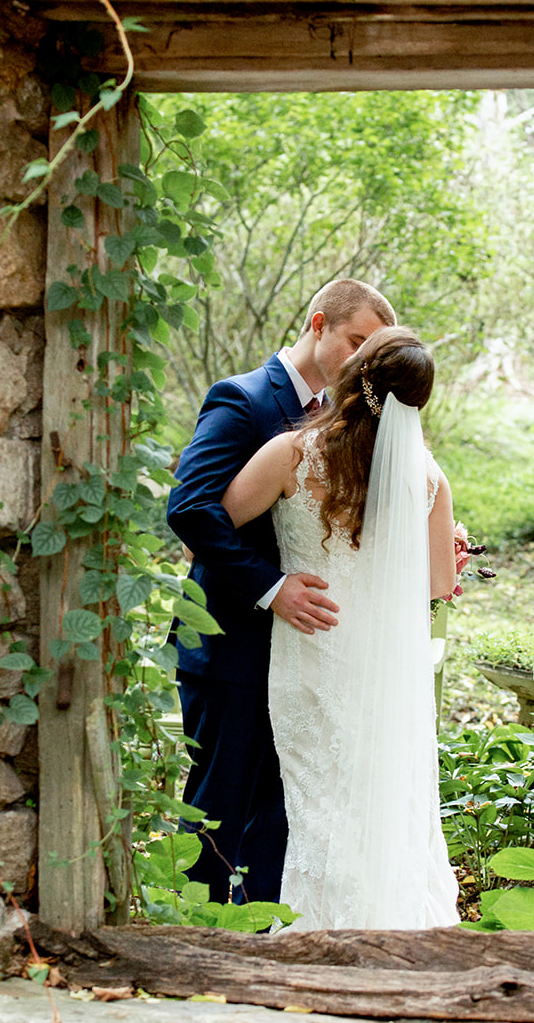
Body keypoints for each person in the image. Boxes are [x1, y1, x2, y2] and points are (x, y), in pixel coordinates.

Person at [222, 326, 460, 929]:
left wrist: (273, 583)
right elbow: (435, 585)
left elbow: (219, 519)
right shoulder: (429, 480)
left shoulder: (292, 456)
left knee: (318, 807)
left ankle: (317, 931)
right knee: (380, 804)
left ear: (354, 377)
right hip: (385, 668)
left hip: (313, 650)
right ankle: (387, 928)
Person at [166, 279, 396, 904]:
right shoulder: (239, 401)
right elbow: (190, 511)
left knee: (282, 811)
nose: (360, 362)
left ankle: (265, 939)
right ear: (318, 324)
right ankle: (194, 939)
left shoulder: (342, 414)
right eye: (354, 342)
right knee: (218, 808)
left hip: (303, 658)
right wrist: (271, 588)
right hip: (230, 644)